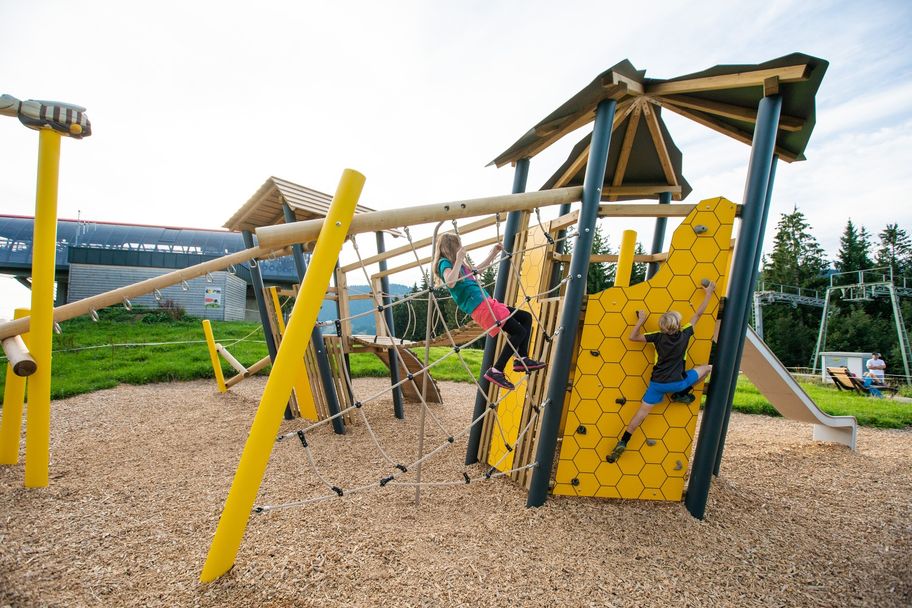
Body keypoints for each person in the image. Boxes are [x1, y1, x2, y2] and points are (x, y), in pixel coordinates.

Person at [606, 280, 716, 463]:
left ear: (663, 327)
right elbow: (698, 314)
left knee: (640, 414)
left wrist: (641, 320)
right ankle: (682, 394)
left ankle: (623, 441)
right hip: (677, 382)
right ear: (678, 325)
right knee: (707, 368)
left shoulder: (657, 337)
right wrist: (709, 293)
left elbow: (632, 337)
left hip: (656, 385)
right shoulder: (685, 334)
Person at [432, 232, 545, 391]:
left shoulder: (460, 265)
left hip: (487, 303)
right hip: (481, 307)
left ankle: (522, 358)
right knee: (518, 331)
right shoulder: (444, 263)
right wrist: (458, 259)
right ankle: (497, 370)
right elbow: (450, 282)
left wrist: (493, 253)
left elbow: (477, 271)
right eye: (458, 245)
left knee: (525, 317)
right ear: (451, 247)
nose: (460, 248)